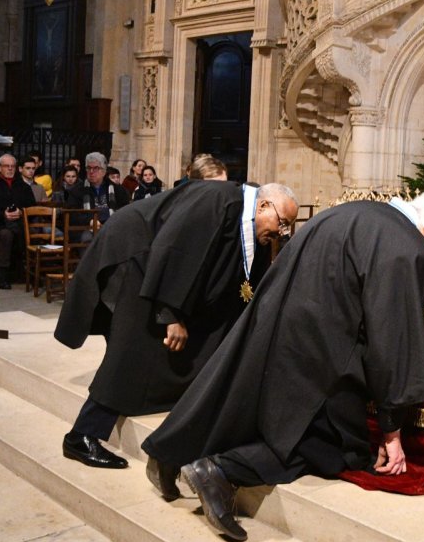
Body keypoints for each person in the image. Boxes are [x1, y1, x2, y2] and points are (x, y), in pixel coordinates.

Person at [142, 190, 424, 542]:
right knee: (335, 446)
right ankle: (221, 472)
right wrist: (392, 430)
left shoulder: (355, 212)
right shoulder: (409, 248)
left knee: (233, 397)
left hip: (277, 323)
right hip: (326, 353)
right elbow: (393, 337)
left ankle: (167, 455)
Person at [54, 180, 299, 471]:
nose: (280, 233)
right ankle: (81, 435)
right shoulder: (217, 200)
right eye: (282, 223)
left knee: (196, 337)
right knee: (134, 349)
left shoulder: (247, 217)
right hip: (139, 257)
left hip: (158, 267)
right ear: (263, 206)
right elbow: (175, 249)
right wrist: (170, 314)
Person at [0, 154, 37, 289]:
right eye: (6, 166)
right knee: (6, 234)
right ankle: (3, 275)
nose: (10, 169)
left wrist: (21, 212)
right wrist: (3, 214)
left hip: (20, 222)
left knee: (30, 232)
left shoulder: (23, 186)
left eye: (12, 166)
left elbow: (32, 207)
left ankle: (30, 271)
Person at [65, 152, 129, 227]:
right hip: (86, 228)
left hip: (113, 227)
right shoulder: (77, 190)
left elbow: (126, 212)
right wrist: (89, 221)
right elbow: (72, 215)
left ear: (104, 171)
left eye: (96, 168)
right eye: (89, 168)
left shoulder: (118, 190)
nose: (91, 171)